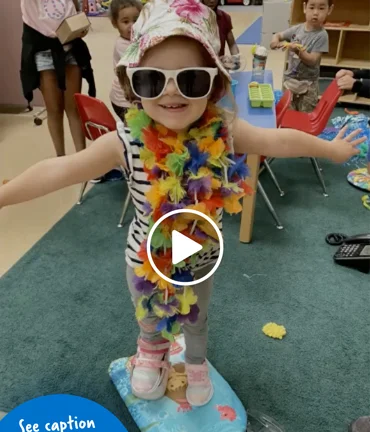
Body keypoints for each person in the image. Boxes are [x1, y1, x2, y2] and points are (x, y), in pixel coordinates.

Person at [2, 0, 364, 407]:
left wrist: (328, 149)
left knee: (197, 315)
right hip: (144, 256)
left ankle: (195, 361)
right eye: (152, 80)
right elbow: (61, 170)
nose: (171, 92)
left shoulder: (224, 132)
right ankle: (151, 351)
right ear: (133, 84)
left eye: (190, 80)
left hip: (199, 254)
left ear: (215, 86)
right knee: (147, 311)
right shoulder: (125, 142)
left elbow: (279, 139)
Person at [20, 0, 96, 156]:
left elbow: (74, 8)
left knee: (73, 107)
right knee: (54, 109)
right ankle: (60, 159)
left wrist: (79, 23)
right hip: (44, 51)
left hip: (70, 46)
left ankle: (82, 158)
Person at [270, 0, 333, 112]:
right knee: (287, 114)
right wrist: (275, 40)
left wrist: (298, 51)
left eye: (321, 8)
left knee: (305, 116)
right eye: (312, 7)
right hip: (290, 81)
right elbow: (278, 35)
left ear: (329, 10)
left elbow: (312, 60)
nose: (315, 12)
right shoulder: (297, 29)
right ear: (305, 8)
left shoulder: (322, 35)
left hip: (308, 85)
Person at [109, 0, 142, 123]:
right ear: (115, 23)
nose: (132, 26)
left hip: (134, 98)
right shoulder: (122, 45)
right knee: (134, 136)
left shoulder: (138, 39)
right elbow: (139, 64)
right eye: (126, 21)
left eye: (136, 20)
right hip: (124, 102)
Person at [201, 0, 240, 70]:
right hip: (200, 70)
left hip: (220, 70)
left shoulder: (225, 18)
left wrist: (236, 59)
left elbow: (232, 44)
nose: (212, 1)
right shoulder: (193, 19)